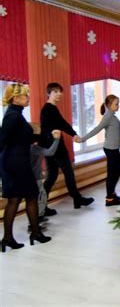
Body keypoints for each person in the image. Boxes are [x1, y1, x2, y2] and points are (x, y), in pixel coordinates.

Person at [1, 84, 51, 252]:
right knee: (26, 197)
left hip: (17, 161)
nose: (28, 98)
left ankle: (12, 237)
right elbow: (2, 139)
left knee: (20, 198)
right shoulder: (13, 116)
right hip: (15, 164)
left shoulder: (16, 114)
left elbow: (20, 138)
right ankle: (32, 234)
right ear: (15, 98)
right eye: (25, 95)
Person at [40, 82, 94, 213]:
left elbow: (62, 124)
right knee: (68, 173)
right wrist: (72, 135)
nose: (59, 94)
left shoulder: (52, 108)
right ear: (49, 93)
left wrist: (73, 134)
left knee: (51, 177)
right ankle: (77, 198)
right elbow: (48, 129)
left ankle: (41, 205)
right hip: (55, 147)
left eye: (60, 91)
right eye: (55, 92)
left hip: (51, 148)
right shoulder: (48, 109)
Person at [79, 94, 120, 206]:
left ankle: (112, 194)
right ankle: (110, 199)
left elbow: (116, 133)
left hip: (114, 148)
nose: (118, 106)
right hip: (110, 149)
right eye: (116, 104)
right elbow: (96, 129)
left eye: (118, 103)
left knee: (118, 169)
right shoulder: (108, 117)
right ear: (109, 105)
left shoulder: (112, 116)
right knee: (113, 173)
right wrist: (83, 139)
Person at [30, 123, 60, 223]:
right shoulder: (34, 149)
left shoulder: (25, 147)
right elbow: (50, 152)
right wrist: (56, 139)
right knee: (40, 197)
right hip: (35, 178)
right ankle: (37, 219)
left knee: (35, 199)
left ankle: (37, 218)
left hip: (30, 177)